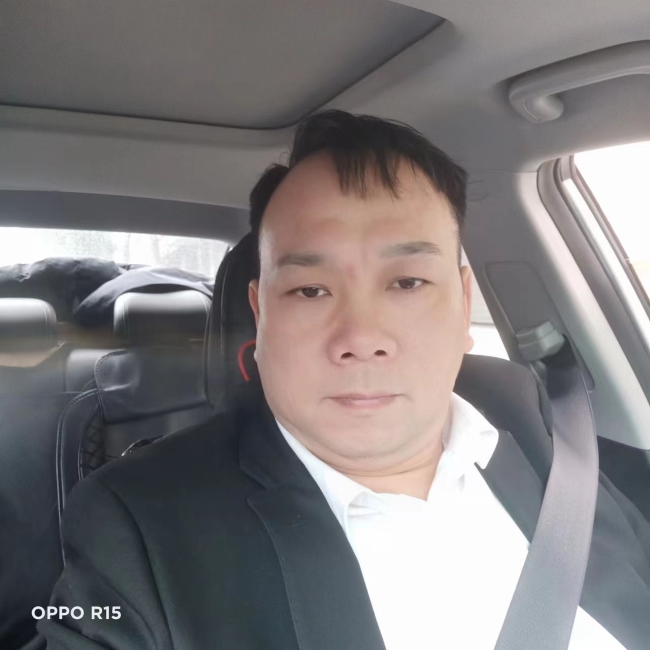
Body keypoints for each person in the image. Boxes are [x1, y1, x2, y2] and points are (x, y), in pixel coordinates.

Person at [40, 110, 650, 649]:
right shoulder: (138, 525)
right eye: (310, 290)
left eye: (407, 282)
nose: (361, 337)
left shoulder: (540, 419)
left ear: (464, 305)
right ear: (261, 314)